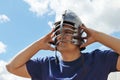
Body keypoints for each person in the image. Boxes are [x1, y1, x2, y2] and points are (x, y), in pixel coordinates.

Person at [6, 10, 120, 80]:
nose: (61, 36)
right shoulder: (46, 65)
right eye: (58, 32)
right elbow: (11, 67)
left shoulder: (99, 60)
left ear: (79, 36)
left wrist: (97, 36)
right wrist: (39, 45)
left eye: (67, 32)